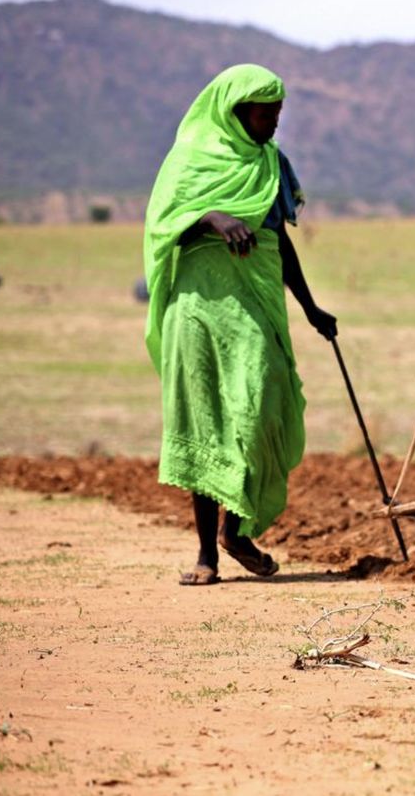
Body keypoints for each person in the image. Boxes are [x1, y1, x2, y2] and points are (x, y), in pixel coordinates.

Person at [143, 64, 337, 586]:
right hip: (199, 308)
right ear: (235, 112)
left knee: (259, 409)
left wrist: (311, 307)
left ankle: (236, 531)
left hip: (256, 304)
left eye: (278, 113)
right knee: (204, 419)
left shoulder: (273, 164)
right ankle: (207, 553)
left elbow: (280, 240)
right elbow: (163, 226)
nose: (274, 123)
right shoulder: (189, 161)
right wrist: (211, 218)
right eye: (264, 113)